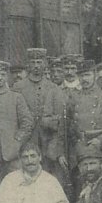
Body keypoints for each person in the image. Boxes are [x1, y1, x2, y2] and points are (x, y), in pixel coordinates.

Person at [12, 48, 68, 191]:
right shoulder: (18, 87)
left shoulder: (54, 88)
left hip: (48, 141)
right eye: (33, 62)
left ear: (44, 64)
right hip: (26, 140)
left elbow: (60, 120)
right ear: (28, 65)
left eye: (39, 62)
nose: (36, 65)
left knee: (49, 176)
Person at [66, 59, 102, 193]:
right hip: (80, 147)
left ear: (95, 75)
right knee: (81, 186)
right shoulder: (73, 98)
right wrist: (72, 145)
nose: (84, 79)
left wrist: (100, 141)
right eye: (81, 75)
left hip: (100, 149)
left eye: (87, 75)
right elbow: (66, 126)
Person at [0, 60, 34, 203]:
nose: (0, 78)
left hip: (12, 153)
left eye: (2, 74)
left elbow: (27, 123)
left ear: (7, 76)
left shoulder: (16, 97)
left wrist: (17, 141)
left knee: (16, 187)